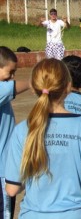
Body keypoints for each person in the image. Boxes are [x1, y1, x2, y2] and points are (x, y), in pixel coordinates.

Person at [5, 58, 81, 219]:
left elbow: (12, 189)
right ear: (68, 86)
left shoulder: (22, 130)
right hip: (76, 214)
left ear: (34, 89)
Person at [0, 46, 29, 219]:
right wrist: (33, 83)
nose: (12, 77)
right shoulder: (3, 90)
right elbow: (13, 88)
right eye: (10, 72)